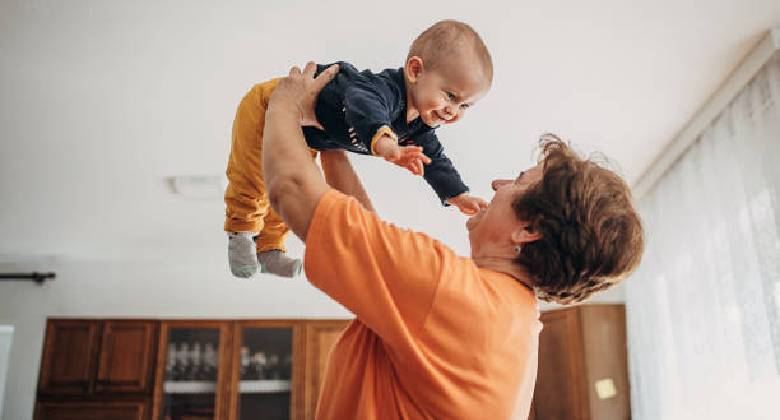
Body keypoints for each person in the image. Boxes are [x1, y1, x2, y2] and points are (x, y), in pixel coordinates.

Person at [263, 63, 644, 419]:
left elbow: (291, 189)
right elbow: (369, 247)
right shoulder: (506, 317)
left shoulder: (456, 295)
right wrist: (330, 143)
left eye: (519, 181)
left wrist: (285, 103)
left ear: (528, 230)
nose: (498, 184)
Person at [224, 19, 492, 278]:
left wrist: (457, 194)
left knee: (282, 183)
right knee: (253, 178)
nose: (453, 112)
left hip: (306, 133)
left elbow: (435, 160)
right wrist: (385, 142)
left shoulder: (419, 126)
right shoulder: (384, 90)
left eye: (465, 106)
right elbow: (362, 104)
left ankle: (269, 248)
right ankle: (241, 231)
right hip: (269, 105)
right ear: (415, 71)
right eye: (451, 96)